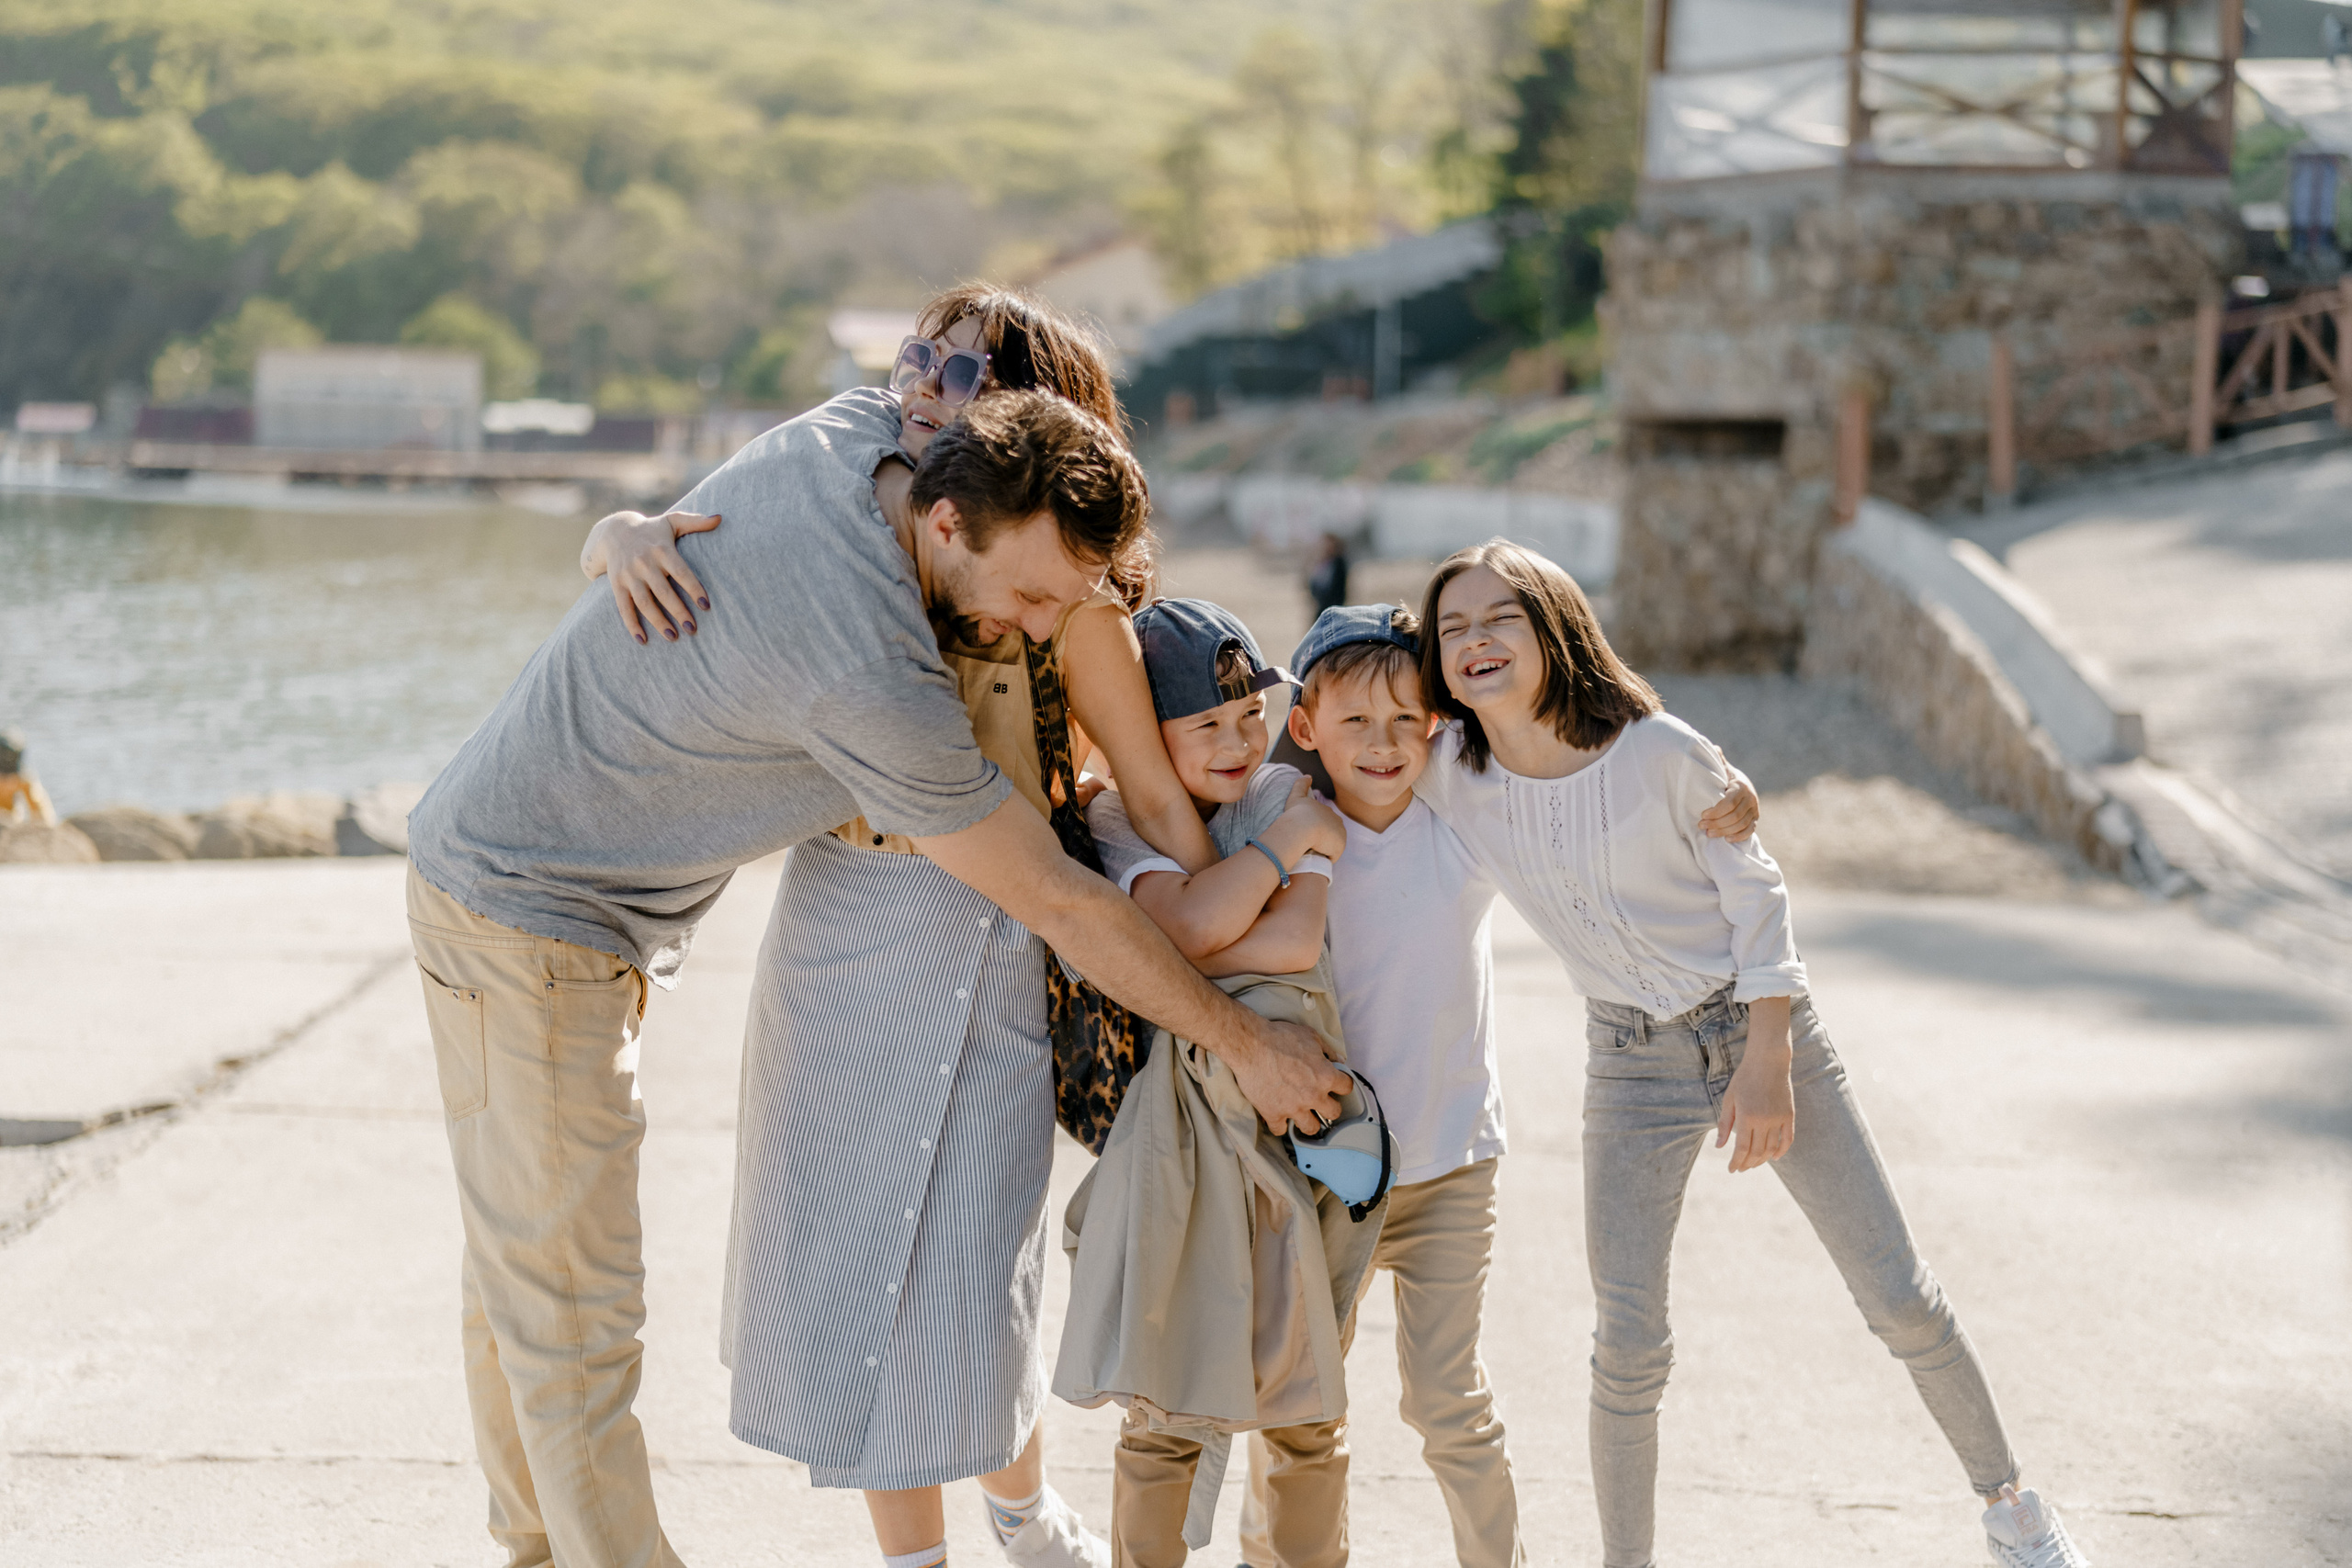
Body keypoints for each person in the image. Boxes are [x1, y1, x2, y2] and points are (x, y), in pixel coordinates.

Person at [404, 380, 1344, 1568]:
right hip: (532, 915)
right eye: (1036, 593)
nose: (1048, 626)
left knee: (521, 1276)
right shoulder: (871, 671)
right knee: (575, 1311)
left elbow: (889, 403)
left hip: (511, 880)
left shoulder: (855, 437)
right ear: (949, 525)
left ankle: (537, 1545)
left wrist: (620, 530)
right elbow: (1059, 899)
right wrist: (1250, 1044)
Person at [589, 289, 1274, 1568]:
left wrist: (1239, 908)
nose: (920, 381)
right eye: (915, 354)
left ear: (1030, 410)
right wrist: (619, 532)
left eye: (958, 368)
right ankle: (921, 1551)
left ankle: (1018, 1510)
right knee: (851, 1252)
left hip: (993, 918)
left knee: (972, 1255)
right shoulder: (869, 500)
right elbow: (702, 531)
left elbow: (1155, 788)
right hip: (839, 911)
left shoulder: (1064, 591)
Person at [1410, 539, 2090, 1568]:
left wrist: (1765, 1059)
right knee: (1626, 1346)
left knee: (1897, 1294)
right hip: (1626, 1060)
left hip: (1756, 1024)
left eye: (1498, 617)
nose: (1474, 641)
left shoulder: (1657, 750)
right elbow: (1331, 710)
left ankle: (2015, 1512)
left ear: (1553, 626)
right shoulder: (1447, 777)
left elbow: (1756, 894)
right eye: (1451, 628)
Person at [1073, 597, 1366, 1568]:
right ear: (1141, 736)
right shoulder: (1116, 816)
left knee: (1306, 1390)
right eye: (1206, 725)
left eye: (1252, 715)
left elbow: (1289, 939)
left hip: (1303, 1119)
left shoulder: (1279, 787)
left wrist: (1207, 913)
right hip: (1184, 1133)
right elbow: (1197, 933)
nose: (1241, 741)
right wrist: (1279, 858)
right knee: (1165, 1392)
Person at [1305, 533, 1349, 618]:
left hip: (1333, 607)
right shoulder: (1323, 563)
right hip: (1321, 606)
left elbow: (1338, 587)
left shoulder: (1338, 562)